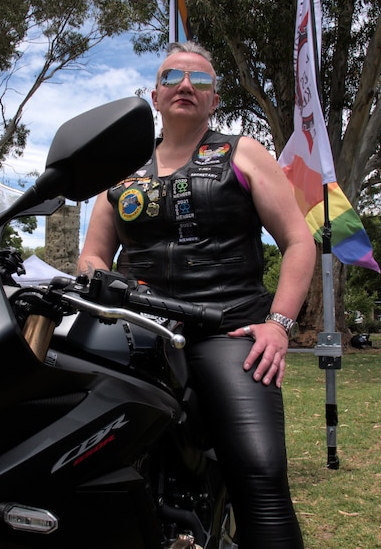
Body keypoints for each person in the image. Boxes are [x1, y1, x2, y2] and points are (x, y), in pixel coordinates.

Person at [77, 42, 315, 548]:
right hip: (136, 331)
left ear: (214, 100)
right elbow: (93, 255)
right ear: (155, 95)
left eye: (200, 81)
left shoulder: (242, 151)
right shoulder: (119, 172)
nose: (186, 86)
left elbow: (298, 241)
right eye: (174, 77)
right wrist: (103, 279)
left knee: (261, 473)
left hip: (227, 328)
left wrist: (279, 325)